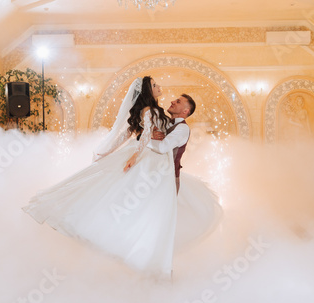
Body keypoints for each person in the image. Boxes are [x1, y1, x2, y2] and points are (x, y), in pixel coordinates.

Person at [23, 76, 220, 278]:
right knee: (145, 209)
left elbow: (144, 138)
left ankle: (151, 259)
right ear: (147, 91)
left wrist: (132, 147)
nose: (164, 92)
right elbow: (137, 135)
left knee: (147, 210)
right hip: (153, 164)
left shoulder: (173, 122)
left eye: (178, 102)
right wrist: (123, 151)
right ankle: (150, 261)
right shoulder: (154, 112)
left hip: (160, 167)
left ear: (185, 111)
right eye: (155, 85)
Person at [150, 94, 195, 194]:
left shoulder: (183, 128)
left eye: (178, 101)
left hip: (168, 181)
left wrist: (144, 139)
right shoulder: (166, 123)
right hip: (156, 177)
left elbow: (162, 147)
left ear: (185, 111)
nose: (172, 101)